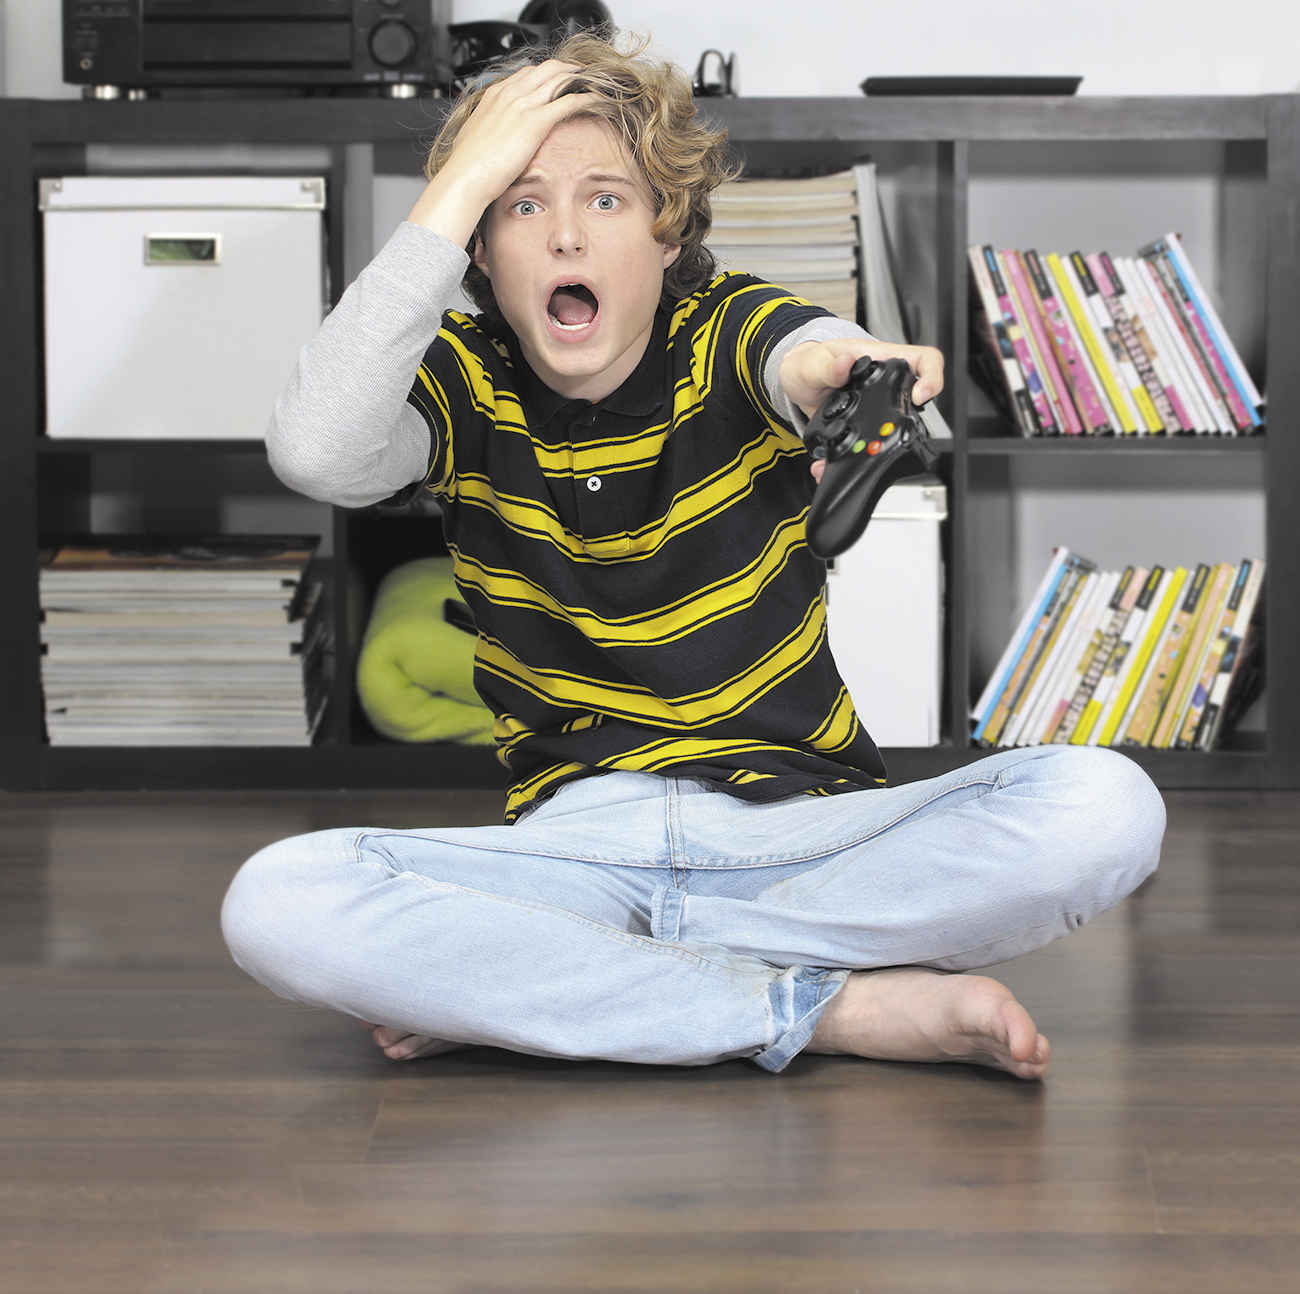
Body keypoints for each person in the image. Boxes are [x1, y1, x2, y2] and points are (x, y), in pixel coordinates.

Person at [220, 31, 1166, 1079]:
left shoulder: (724, 328)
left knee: (1105, 805)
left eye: (607, 201)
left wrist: (855, 372)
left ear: (668, 236)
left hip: (796, 840)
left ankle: (553, 985)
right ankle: (815, 1006)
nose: (567, 239)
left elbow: (803, 354)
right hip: (578, 850)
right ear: (479, 249)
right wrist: (459, 181)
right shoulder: (458, 379)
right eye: (523, 205)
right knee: (275, 902)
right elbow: (316, 450)